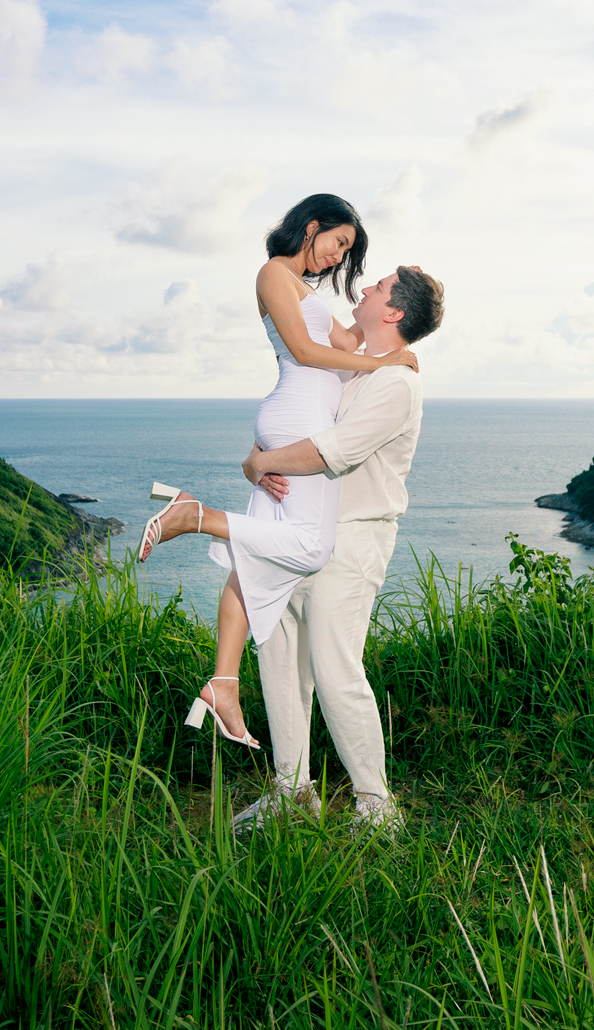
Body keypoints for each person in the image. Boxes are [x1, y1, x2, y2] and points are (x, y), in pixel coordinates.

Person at [137, 194, 419, 750]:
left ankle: (223, 683)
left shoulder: (306, 289)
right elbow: (306, 352)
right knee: (311, 548)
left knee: (255, 557)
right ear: (311, 226)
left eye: (348, 254)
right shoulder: (273, 273)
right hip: (297, 416)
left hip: (291, 419)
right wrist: (383, 362)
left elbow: (344, 339)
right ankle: (195, 514)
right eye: (338, 242)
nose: (340, 258)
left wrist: (383, 314)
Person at [231, 264, 442, 832]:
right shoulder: (349, 368)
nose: (365, 288)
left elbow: (332, 451)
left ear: (393, 312)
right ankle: (291, 792)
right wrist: (260, 459)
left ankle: (377, 807)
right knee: (277, 657)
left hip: (353, 538)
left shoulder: (397, 383)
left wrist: (259, 464)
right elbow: (295, 417)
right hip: (297, 527)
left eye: (378, 288)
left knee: (334, 667)